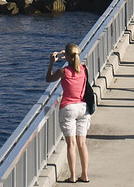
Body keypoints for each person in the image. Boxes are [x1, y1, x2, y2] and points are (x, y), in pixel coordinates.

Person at [46, 43, 91, 183]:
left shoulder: (63, 71)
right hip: (83, 108)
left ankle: (72, 177)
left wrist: (52, 63)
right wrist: (67, 55)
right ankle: (85, 175)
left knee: (71, 144)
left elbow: (48, 78)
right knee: (82, 144)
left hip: (68, 108)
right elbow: (76, 64)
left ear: (67, 56)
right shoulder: (84, 69)